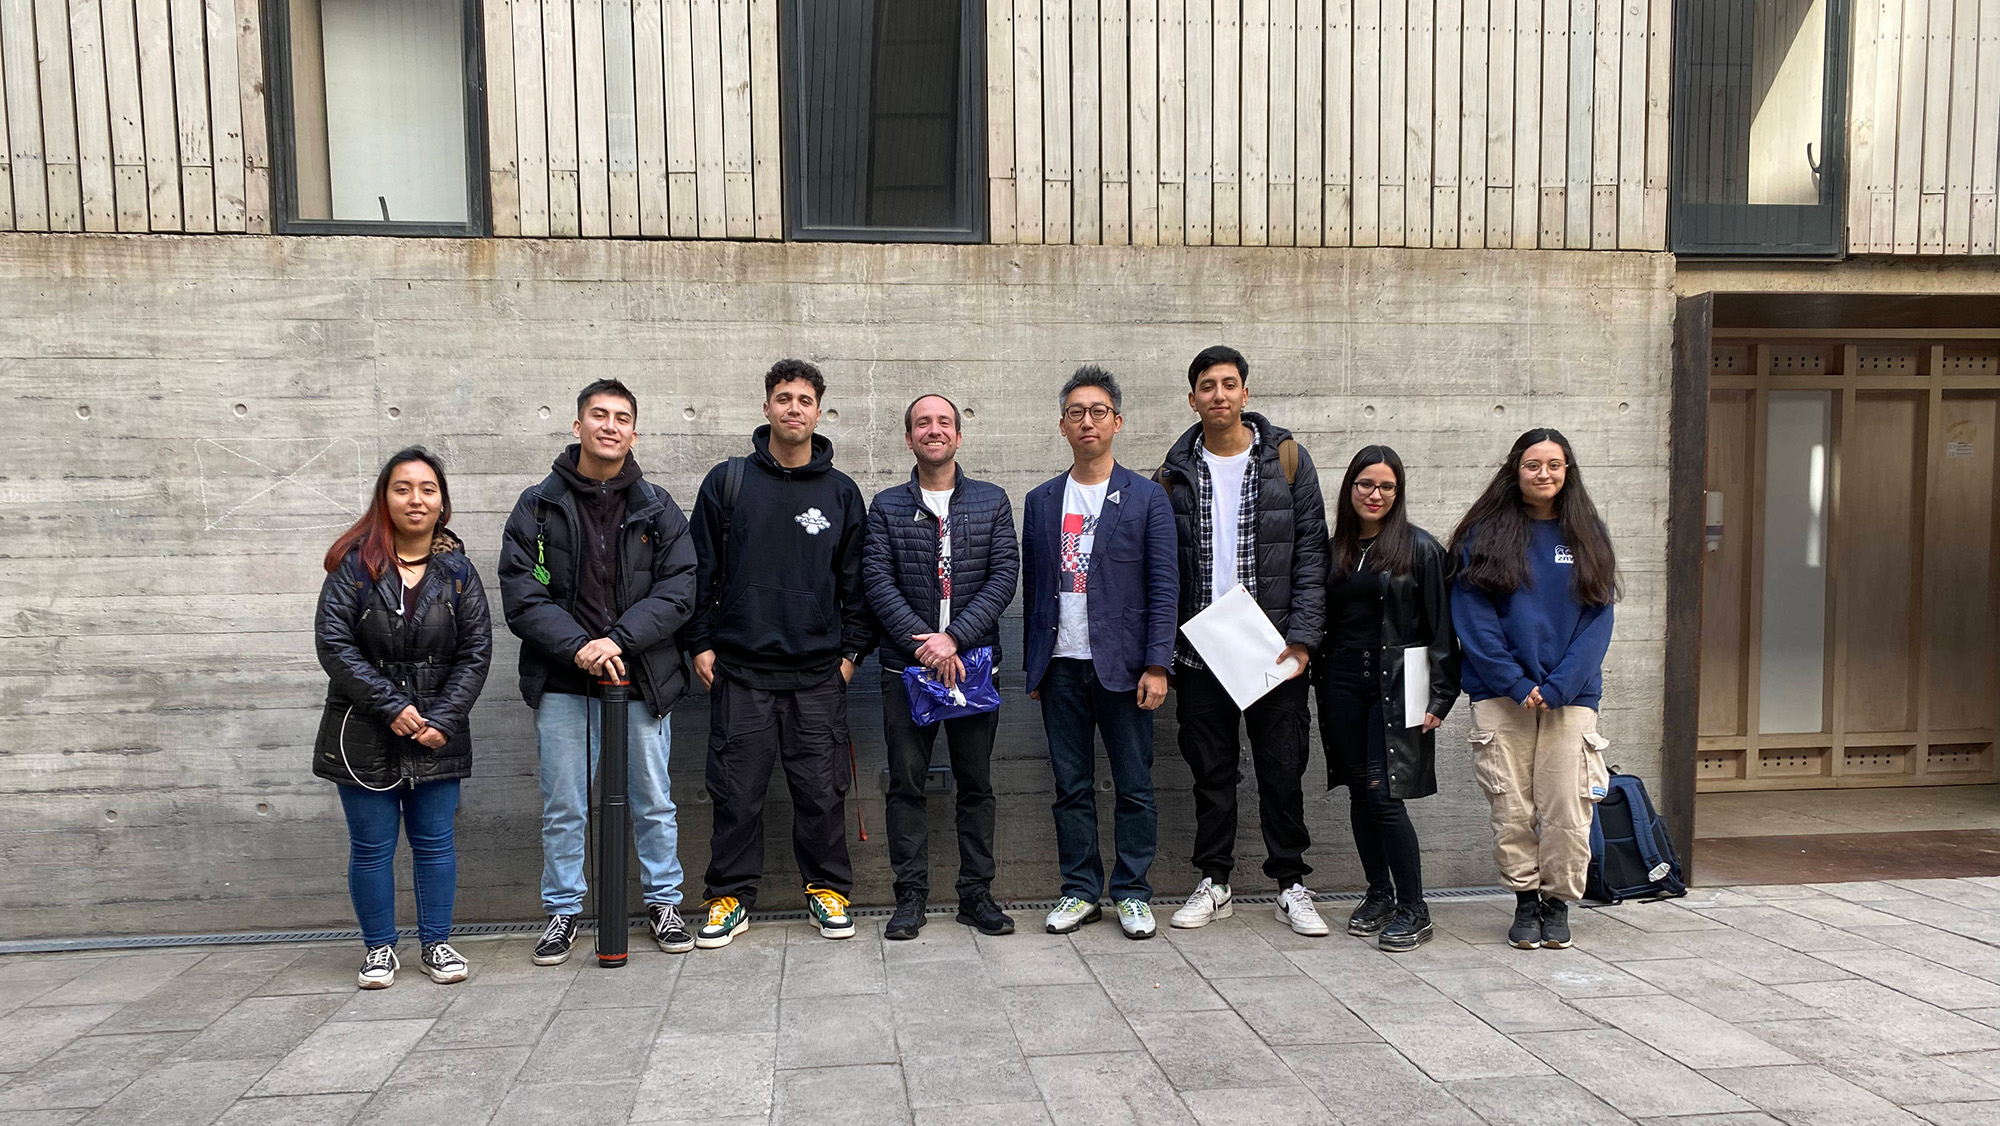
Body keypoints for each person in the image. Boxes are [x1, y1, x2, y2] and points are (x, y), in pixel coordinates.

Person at [499, 380, 699, 965]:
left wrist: (617, 641)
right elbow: (522, 595)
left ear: (634, 433)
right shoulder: (538, 505)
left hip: (641, 680)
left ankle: (664, 904)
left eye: (621, 418)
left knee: (653, 801)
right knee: (565, 807)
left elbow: (680, 589)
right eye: (598, 415)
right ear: (577, 425)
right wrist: (580, 648)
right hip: (565, 683)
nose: (610, 426)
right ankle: (563, 913)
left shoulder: (657, 507)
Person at [686, 359, 872, 948]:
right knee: (735, 795)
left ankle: (828, 891)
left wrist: (849, 657)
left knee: (821, 793)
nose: (794, 408)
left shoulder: (841, 493)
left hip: (818, 674)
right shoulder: (728, 482)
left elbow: (857, 586)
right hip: (739, 671)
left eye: (805, 400)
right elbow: (698, 572)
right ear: (766, 406)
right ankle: (729, 899)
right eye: (784, 398)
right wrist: (700, 644)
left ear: (819, 412)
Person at [1155, 345, 1332, 937]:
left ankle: (1291, 884)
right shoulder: (1173, 473)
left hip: (1271, 648)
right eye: (1207, 386)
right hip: (1200, 652)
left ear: (1245, 394)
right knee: (1212, 775)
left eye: (1229, 384)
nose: (1219, 395)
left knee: (1282, 770)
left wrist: (1302, 640)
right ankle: (1215, 882)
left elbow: (1312, 555)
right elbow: (1162, 569)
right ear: (1193, 399)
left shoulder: (1287, 460)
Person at [315, 447, 491, 988]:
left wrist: (444, 718)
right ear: (384, 499)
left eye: (427, 489)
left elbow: (475, 652)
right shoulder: (353, 567)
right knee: (371, 848)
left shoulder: (458, 573)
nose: (416, 499)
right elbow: (334, 644)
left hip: (437, 733)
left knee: (435, 844)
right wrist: (390, 705)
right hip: (363, 731)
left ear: (442, 503)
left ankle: (436, 944)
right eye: (403, 488)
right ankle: (379, 949)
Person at [1021, 366, 1179, 939]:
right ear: (1062, 425)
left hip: (1126, 668)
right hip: (1060, 666)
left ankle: (1132, 892)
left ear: (1117, 421)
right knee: (1071, 787)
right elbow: (1035, 588)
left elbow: (1164, 585)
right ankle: (1081, 890)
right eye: (1076, 413)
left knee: (1134, 786)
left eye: (1098, 412)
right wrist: (1034, 665)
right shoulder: (1041, 501)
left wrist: (1158, 664)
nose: (1087, 421)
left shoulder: (1147, 497)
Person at [1450, 428, 1618, 951]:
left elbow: (1598, 619)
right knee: (1512, 806)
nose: (1543, 473)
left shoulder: (1588, 534)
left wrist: (1561, 685)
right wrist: (1515, 682)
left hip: (1571, 696)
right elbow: (1472, 618)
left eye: (1554, 464)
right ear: (1515, 470)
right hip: (1502, 695)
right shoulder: (1483, 533)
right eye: (1532, 464)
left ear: (1567, 471)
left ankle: (1557, 902)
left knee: (1568, 804)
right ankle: (1525, 901)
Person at [864, 393, 1021, 940]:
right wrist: (926, 649)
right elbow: (877, 582)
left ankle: (976, 895)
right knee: (906, 785)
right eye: (923, 423)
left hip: (973, 667)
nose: (934, 430)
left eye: (944, 422)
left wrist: (953, 639)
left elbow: (1004, 576)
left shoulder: (991, 501)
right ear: (909, 437)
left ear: (958, 435)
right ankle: (910, 898)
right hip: (906, 672)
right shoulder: (886, 506)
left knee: (976, 784)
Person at [1314, 446, 1460, 952]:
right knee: (1359, 792)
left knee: (1384, 794)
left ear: (1398, 493)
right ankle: (1379, 893)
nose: (1375, 494)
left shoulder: (1420, 549)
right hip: (1339, 684)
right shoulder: (1332, 549)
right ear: (1349, 487)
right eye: (1365, 484)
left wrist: (1440, 697)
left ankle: (1415, 908)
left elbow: (1443, 630)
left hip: (1395, 687)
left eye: (1386, 487)